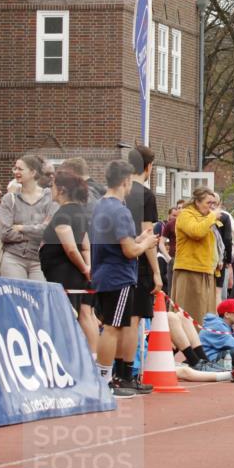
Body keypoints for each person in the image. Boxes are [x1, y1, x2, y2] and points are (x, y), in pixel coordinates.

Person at [90, 160, 158, 397]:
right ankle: (105, 379)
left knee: (113, 326)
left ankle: (108, 377)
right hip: (118, 275)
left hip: (104, 271)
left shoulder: (100, 205)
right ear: (126, 181)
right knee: (113, 328)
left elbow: (122, 243)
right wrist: (147, 243)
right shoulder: (120, 210)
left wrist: (138, 239)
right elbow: (129, 251)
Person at [39, 169, 97, 353]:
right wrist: (88, 267)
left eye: (53, 186)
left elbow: (71, 248)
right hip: (77, 272)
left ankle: (76, 357)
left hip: (66, 273)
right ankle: (93, 359)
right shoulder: (81, 212)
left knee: (71, 315)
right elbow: (85, 246)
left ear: (62, 189)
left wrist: (85, 269)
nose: (51, 189)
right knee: (87, 314)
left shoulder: (63, 214)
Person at [124, 146, 163, 386]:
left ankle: (116, 372)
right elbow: (147, 234)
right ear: (148, 167)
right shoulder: (145, 195)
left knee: (116, 322)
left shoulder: (119, 191)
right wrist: (157, 272)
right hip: (137, 261)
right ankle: (128, 374)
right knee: (134, 319)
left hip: (117, 259)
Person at [0, 154, 53, 280]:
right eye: (15, 168)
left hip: (39, 260)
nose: (16, 172)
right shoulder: (9, 199)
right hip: (13, 258)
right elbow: (4, 233)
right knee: (16, 298)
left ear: (32, 172)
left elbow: (49, 232)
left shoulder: (48, 198)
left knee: (38, 298)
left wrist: (21, 228)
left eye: (20, 169)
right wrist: (35, 231)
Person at [172, 187, 220, 325]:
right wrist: (212, 217)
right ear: (197, 202)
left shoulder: (205, 217)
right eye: (208, 203)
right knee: (191, 312)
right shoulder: (185, 215)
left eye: (214, 204)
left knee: (205, 314)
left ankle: (201, 342)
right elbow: (196, 232)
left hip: (206, 270)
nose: (211, 207)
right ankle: (187, 343)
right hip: (190, 270)